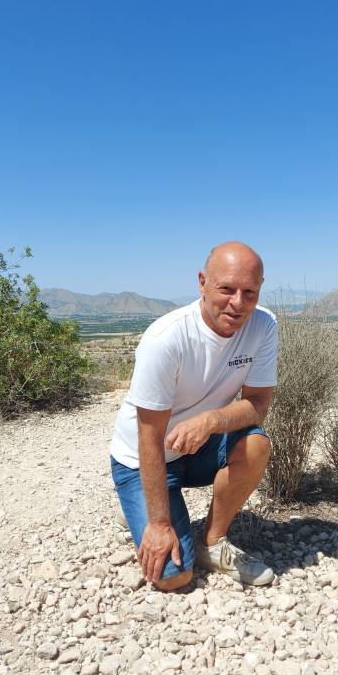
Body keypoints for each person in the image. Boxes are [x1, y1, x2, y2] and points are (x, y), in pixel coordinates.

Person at [109, 241, 279, 592]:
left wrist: (210, 421)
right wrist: (159, 524)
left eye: (249, 292)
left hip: (199, 444)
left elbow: (258, 404)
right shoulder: (165, 339)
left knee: (256, 445)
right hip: (145, 459)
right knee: (174, 577)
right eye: (226, 289)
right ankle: (144, 506)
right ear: (202, 282)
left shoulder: (263, 326)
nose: (238, 303)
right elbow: (149, 435)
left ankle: (211, 542)